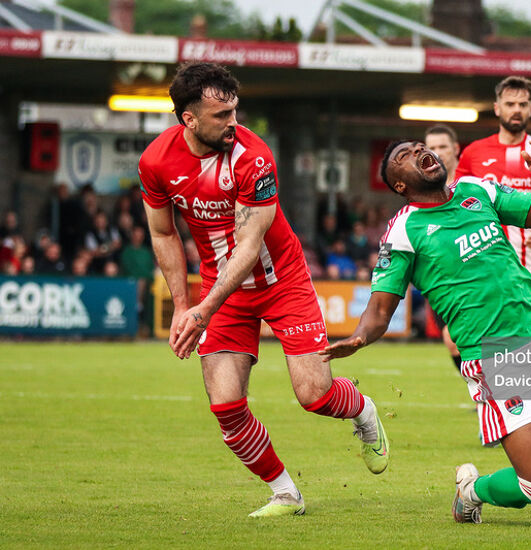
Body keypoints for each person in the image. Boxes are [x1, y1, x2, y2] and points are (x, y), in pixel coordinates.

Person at [138, 62, 388, 518]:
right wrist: (181, 305)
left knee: (314, 395)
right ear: (188, 119)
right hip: (222, 290)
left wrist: (202, 310)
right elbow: (162, 233)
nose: (234, 122)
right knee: (225, 405)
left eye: (235, 110)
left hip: (281, 281)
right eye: (220, 115)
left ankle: (363, 410)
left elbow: (250, 246)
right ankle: (286, 494)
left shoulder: (255, 157)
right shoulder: (155, 161)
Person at [322, 140, 531, 523]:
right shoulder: (404, 229)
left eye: (419, 145)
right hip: (494, 355)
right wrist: (360, 337)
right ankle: (472, 491)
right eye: (405, 154)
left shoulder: (478, 190)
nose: (419, 150)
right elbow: (381, 305)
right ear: (400, 185)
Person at [455, 76, 531, 288]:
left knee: (526, 320)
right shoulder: (473, 152)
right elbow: (456, 204)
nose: (517, 110)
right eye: (510, 104)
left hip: (526, 265)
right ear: (497, 108)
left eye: (523, 104)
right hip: (480, 262)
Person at [424, 124, 462, 370]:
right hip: (441, 277)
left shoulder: (471, 182)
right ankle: (486, 396)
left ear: (455, 148)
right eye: (432, 148)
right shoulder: (423, 189)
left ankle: (493, 398)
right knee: (451, 340)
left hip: (475, 271)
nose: (437, 152)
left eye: (442, 147)